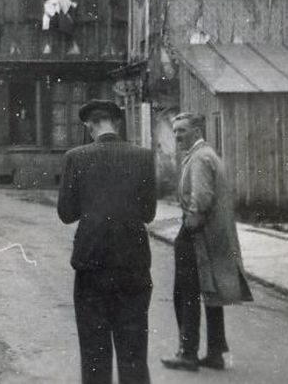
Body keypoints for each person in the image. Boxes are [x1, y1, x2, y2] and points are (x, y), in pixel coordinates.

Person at [58, 99, 156, 383]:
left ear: (90, 126)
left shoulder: (76, 157)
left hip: (92, 262)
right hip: (133, 263)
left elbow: (66, 214)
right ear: (117, 123)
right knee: (134, 351)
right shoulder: (143, 156)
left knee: (94, 352)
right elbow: (148, 213)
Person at [161, 112, 253, 372]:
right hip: (214, 235)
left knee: (185, 293)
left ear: (197, 132)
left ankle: (187, 354)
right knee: (211, 293)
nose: (177, 135)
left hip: (198, 234)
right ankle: (215, 353)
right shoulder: (207, 154)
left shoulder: (200, 158)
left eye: (182, 131)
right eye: (175, 131)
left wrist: (189, 224)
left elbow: (201, 199)